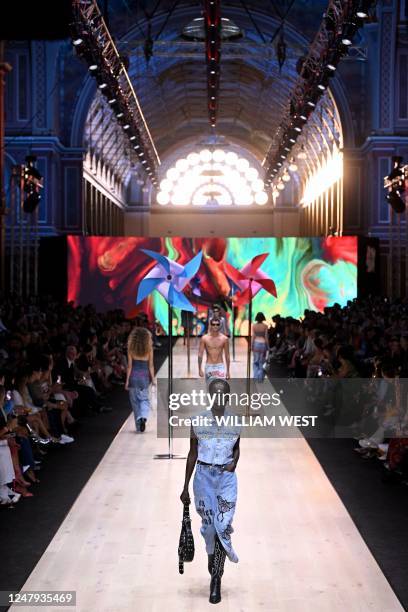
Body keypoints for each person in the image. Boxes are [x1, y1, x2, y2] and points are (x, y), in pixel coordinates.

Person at [180, 379, 240, 604]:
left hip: (226, 479)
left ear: (227, 396)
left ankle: (216, 579)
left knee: (222, 526)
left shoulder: (235, 421)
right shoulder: (197, 421)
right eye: (214, 393)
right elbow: (192, 453)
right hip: (203, 477)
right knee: (208, 529)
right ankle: (213, 556)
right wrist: (184, 486)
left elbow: (236, 448)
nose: (218, 397)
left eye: (222, 393)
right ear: (210, 396)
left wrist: (234, 462)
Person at [125, 326, 155, 433]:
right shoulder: (149, 349)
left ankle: (138, 424)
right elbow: (151, 366)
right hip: (144, 379)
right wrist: (153, 379)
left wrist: (127, 381)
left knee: (135, 402)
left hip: (133, 378)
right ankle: (143, 416)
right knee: (144, 400)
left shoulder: (131, 349)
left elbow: (129, 366)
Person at [198, 318, 230, 384]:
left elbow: (227, 355)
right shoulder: (204, 338)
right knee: (210, 388)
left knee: (220, 389)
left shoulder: (224, 339)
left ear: (220, 325)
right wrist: (199, 369)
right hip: (209, 366)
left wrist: (228, 371)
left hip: (220, 366)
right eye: (213, 324)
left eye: (217, 324)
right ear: (210, 325)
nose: (215, 326)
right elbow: (200, 354)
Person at [252, 312, 269, 382]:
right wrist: (268, 346)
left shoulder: (254, 326)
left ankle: (255, 377)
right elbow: (266, 337)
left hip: (256, 343)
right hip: (263, 344)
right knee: (261, 361)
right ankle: (260, 378)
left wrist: (251, 345)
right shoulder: (265, 326)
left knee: (255, 361)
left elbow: (253, 336)